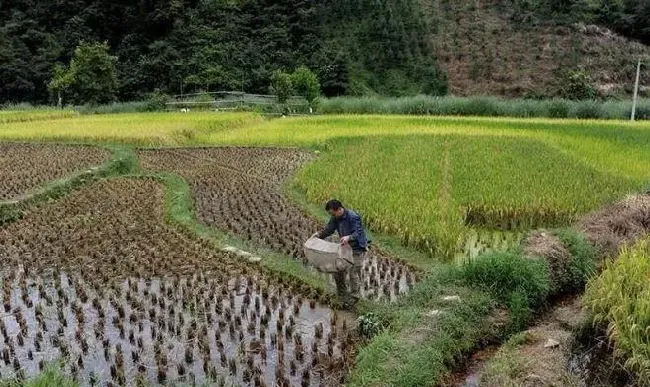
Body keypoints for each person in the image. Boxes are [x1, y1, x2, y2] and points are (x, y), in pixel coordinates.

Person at [313, 199, 368, 308]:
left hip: (357, 247)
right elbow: (329, 229)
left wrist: (349, 237)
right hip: (345, 247)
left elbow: (358, 232)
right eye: (330, 214)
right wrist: (318, 236)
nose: (332, 215)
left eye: (332, 213)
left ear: (339, 209)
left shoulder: (353, 216)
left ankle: (354, 297)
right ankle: (342, 293)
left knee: (353, 273)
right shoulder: (335, 218)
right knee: (337, 269)